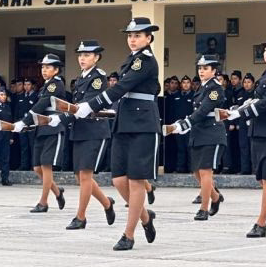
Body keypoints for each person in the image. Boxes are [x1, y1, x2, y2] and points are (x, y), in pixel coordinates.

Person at [71, 18, 159, 250]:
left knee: (136, 180)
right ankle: (145, 218)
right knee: (119, 180)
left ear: (149, 38)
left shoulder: (145, 61)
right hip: (124, 121)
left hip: (142, 124)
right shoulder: (131, 60)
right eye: (130, 35)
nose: (133, 39)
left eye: (138, 35)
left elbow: (122, 87)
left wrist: (91, 105)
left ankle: (128, 235)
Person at [221, 35, 266, 238]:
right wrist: (238, 108)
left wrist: (241, 113)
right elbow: (256, 99)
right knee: (263, 178)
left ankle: (260, 223)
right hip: (260, 129)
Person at [52, 40, 115, 230]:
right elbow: (75, 108)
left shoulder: (98, 78)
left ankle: (81, 217)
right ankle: (107, 203)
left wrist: (65, 114)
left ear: (96, 57)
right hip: (79, 131)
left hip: (94, 131)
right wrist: (60, 119)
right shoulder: (80, 78)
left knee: (86, 176)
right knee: (80, 177)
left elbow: (86, 105)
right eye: (80, 55)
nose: (82, 58)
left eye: (87, 55)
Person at [166, 54, 226, 221]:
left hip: (212, 133)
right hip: (198, 133)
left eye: (206, 68)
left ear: (214, 71)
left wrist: (184, 125)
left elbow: (204, 110)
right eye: (200, 68)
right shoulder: (201, 88)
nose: (201, 71)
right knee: (196, 172)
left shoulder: (216, 88)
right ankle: (215, 197)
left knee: (206, 172)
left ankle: (204, 209)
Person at [13, 54, 67, 213]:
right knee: (37, 167)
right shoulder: (46, 85)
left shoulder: (55, 84)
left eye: (48, 67)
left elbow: (42, 104)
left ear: (56, 70)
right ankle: (58, 192)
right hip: (41, 128)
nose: (44, 70)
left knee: (46, 166)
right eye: (43, 67)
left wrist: (24, 121)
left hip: (53, 127)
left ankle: (43, 203)